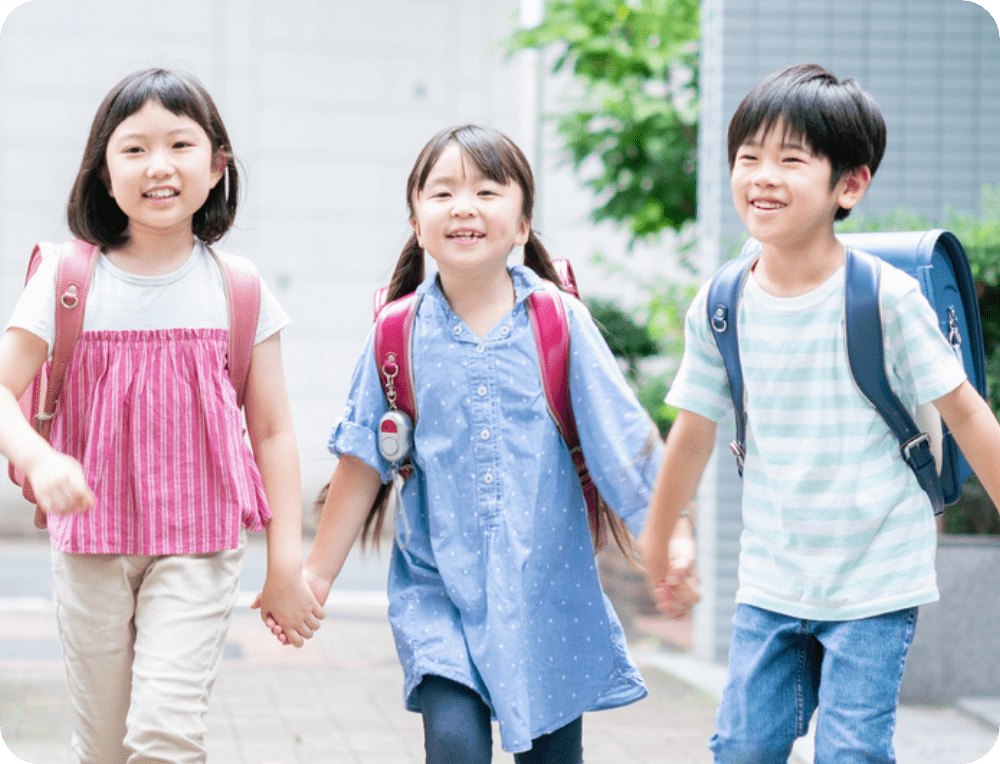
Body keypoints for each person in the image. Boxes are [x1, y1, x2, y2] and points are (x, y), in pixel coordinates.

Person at [640, 62, 1000, 763]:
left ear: (850, 185)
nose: (762, 176)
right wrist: (661, 542)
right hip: (772, 576)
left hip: (875, 576)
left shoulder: (887, 299)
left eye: (790, 159)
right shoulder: (721, 304)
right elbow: (691, 437)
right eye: (748, 158)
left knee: (851, 753)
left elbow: (966, 413)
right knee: (744, 747)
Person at [286, 124, 674, 762]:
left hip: (546, 594)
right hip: (438, 590)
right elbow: (362, 462)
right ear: (417, 221)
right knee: (455, 744)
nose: (464, 206)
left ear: (522, 224)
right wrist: (316, 576)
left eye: (487, 190)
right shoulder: (395, 334)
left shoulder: (559, 323)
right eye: (442, 193)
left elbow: (623, 441)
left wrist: (669, 538)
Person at [0, 68, 324, 764]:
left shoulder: (237, 287)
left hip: (200, 545)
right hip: (89, 547)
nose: (159, 165)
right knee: (106, 748)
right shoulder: (64, 280)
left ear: (216, 166)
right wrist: (38, 457)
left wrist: (285, 562)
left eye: (180, 144)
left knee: (163, 737)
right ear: (102, 171)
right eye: (134, 148)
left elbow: (273, 432)